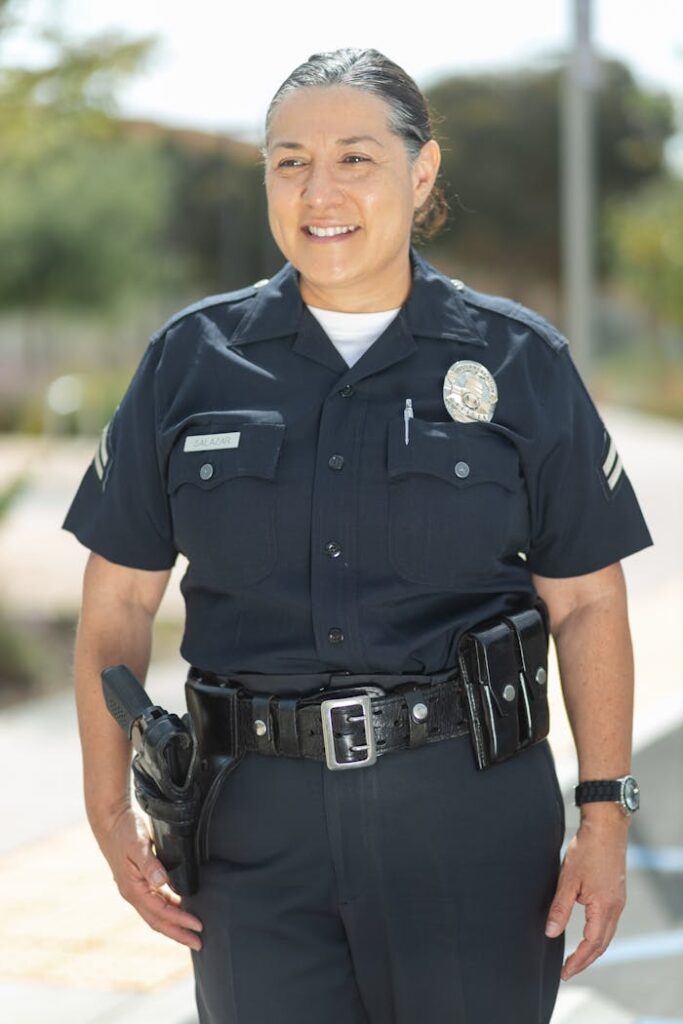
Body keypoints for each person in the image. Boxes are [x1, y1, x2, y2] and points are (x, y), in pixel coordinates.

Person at [63, 46, 653, 1024]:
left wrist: (603, 809)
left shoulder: (518, 360)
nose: (317, 189)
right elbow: (116, 601)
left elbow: (586, 599)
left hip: (466, 822)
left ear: (420, 172)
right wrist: (102, 804)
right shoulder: (187, 361)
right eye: (288, 160)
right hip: (249, 833)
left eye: (353, 158)